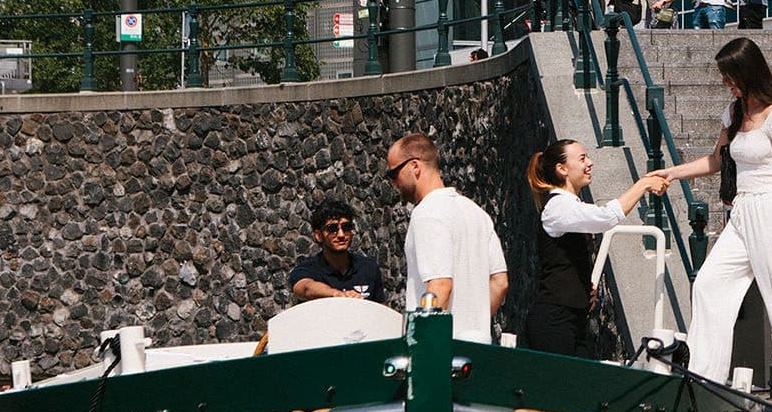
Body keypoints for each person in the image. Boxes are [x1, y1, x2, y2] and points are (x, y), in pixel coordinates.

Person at [655, 39, 772, 412]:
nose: (725, 83)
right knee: (708, 285)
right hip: (741, 210)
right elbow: (715, 160)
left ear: (746, 73)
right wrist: (671, 173)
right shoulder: (733, 112)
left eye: (729, 76)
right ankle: (705, 382)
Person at [523, 139, 671, 357]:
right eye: (582, 159)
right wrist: (642, 185)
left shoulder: (572, 206)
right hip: (554, 321)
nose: (590, 163)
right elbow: (607, 218)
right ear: (562, 169)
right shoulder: (557, 206)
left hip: (572, 321)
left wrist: (582, 290)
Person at [386, 133, 510, 344]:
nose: (393, 183)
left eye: (394, 174)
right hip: (479, 346)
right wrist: (473, 322)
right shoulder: (476, 213)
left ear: (414, 166)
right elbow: (500, 283)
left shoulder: (427, 213)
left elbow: (440, 284)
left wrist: (423, 345)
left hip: (440, 352)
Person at [288, 198, 388, 303]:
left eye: (346, 227)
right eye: (332, 228)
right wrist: (337, 294)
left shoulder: (369, 268)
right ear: (318, 235)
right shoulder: (307, 269)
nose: (341, 235)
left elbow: (380, 310)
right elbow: (305, 288)